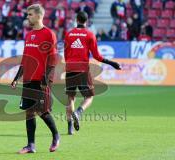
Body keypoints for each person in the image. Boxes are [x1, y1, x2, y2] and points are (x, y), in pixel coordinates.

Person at [11, 4, 60, 154]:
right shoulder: (29, 35)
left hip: (42, 79)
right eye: (27, 14)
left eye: (30, 14)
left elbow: (53, 59)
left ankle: (56, 136)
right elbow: (25, 58)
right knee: (29, 111)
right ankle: (30, 145)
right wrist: (17, 77)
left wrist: (46, 78)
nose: (28, 17)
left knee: (42, 111)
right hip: (28, 78)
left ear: (39, 15)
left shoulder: (48, 34)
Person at [64, 11, 121, 135]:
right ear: (87, 20)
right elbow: (97, 56)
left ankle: (70, 128)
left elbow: (66, 53)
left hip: (70, 69)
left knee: (70, 98)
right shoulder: (90, 35)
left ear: (76, 19)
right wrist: (112, 63)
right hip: (83, 69)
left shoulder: (68, 34)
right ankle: (78, 112)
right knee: (89, 97)